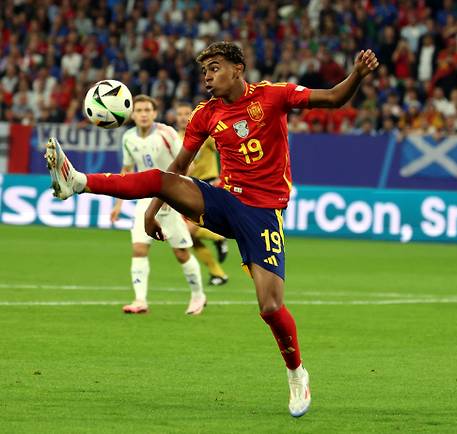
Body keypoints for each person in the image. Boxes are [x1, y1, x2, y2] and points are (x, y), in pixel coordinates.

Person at [45, 41, 379, 418]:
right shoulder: (206, 115)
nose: (207, 77)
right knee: (157, 177)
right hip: (225, 200)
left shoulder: (273, 95)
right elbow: (176, 170)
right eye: (204, 71)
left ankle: (297, 373)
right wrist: (151, 212)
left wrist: (358, 75)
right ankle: (78, 181)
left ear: (238, 68)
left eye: (215, 68)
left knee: (270, 306)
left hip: (263, 212)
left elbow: (334, 98)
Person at [108, 94, 207, 316]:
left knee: (181, 253)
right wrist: (118, 205)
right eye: (139, 110)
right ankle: (140, 300)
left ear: (155, 113)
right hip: (145, 199)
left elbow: (186, 162)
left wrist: (180, 191)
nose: (143, 114)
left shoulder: (167, 134)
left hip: (171, 199)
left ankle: (198, 295)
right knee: (139, 249)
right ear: (132, 114)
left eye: (147, 110)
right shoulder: (128, 138)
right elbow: (126, 171)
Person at [174, 101, 229, 286]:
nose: (183, 117)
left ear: (192, 115)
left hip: (208, 184)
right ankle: (218, 274)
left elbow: (225, 147)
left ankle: (218, 237)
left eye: (186, 113)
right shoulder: (174, 138)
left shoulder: (205, 134)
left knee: (187, 232)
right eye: (179, 113)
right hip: (188, 188)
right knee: (187, 237)